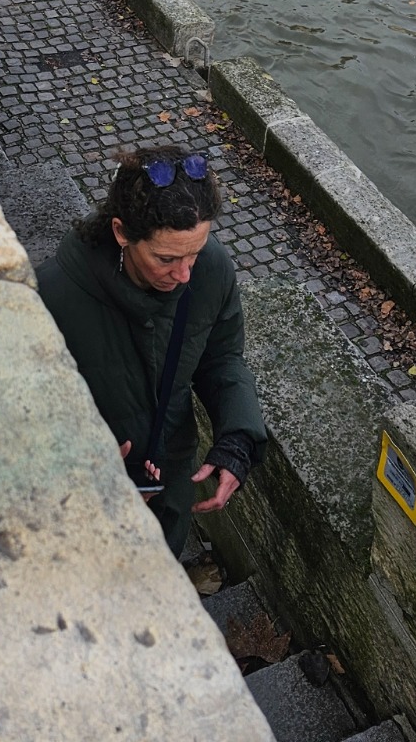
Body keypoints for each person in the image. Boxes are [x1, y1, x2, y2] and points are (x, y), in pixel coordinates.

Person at [36, 146, 266, 559]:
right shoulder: (48, 298)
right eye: (166, 258)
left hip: (169, 483)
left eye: (195, 252)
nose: (185, 274)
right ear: (122, 232)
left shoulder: (211, 270)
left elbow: (222, 359)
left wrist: (238, 439)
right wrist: (85, 468)